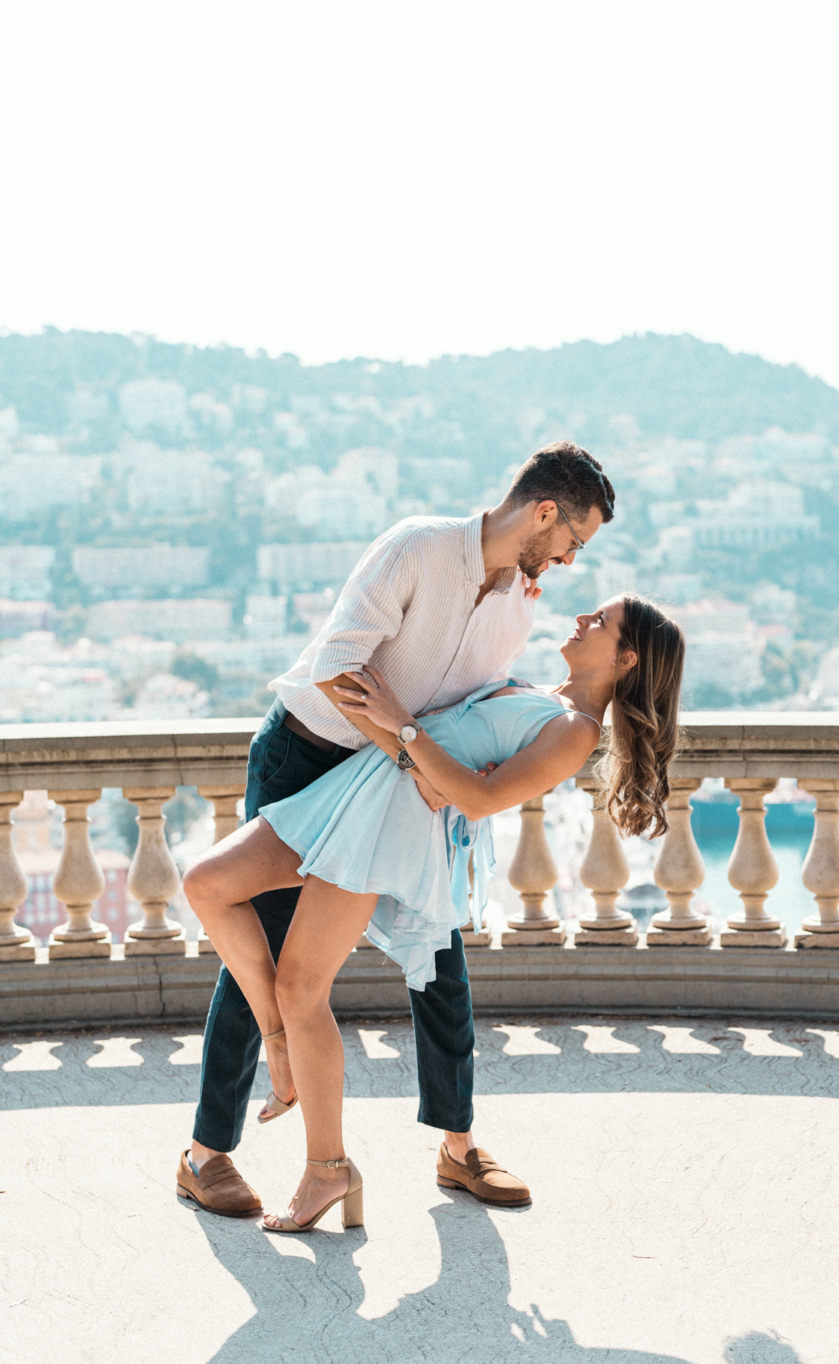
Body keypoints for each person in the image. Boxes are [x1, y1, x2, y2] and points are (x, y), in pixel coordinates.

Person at [174, 441, 615, 1219]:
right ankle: (207, 1154)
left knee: (438, 956)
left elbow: (471, 710)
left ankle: (457, 1144)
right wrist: (411, 753)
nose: (571, 560)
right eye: (573, 541)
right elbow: (338, 673)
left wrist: (425, 765)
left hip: (399, 786)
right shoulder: (416, 548)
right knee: (270, 951)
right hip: (308, 761)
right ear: (543, 513)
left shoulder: (520, 606)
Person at [184, 593, 684, 1232]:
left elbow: (476, 798)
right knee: (206, 883)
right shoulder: (542, 694)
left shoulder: (575, 731)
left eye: (602, 622)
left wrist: (403, 724)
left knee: (300, 987)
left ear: (626, 657)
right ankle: (277, 1043)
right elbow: (451, 769)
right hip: (354, 790)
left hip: (383, 826)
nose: (584, 619)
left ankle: (326, 1168)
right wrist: (415, 747)